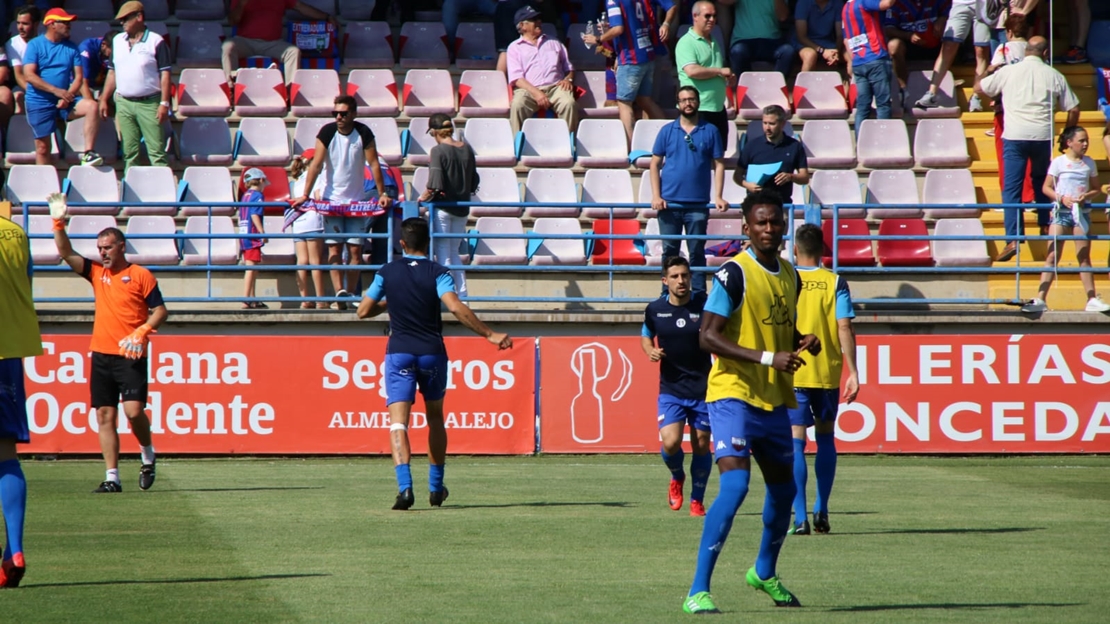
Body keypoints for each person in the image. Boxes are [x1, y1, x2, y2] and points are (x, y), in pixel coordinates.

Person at [682, 190, 820, 615]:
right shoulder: (732, 273)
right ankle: (698, 591)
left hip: (773, 398)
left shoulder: (790, 275)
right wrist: (768, 357)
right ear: (746, 226)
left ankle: (763, 571)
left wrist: (800, 342)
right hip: (732, 396)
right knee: (737, 485)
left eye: (775, 222)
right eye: (760, 222)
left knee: (785, 490)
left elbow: (774, 328)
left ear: (784, 226)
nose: (768, 229)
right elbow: (707, 335)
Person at [356, 217, 512, 510]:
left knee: (398, 423)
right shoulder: (439, 271)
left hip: (399, 352)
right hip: (432, 352)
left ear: (401, 244)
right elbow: (455, 307)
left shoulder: (387, 272)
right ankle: (436, 488)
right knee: (435, 418)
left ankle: (404, 489)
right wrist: (490, 334)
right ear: (428, 243)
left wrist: (391, 300)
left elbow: (363, 311)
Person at [50, 192, 168, 493]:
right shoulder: (97, 273)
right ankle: (112, 476)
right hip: (101, 352)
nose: (103, 253)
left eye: (108, 247)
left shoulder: (140, 274)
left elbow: (161, 311)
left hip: (130, 353)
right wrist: (58, 223)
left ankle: (147, 453)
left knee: (132, 411)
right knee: (104, 414)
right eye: (100, 248)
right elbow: (67, 253)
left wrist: (141, 332)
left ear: (121, 246)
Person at [975, 36, 1080, 262]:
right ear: (1045, 54)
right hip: (1042, 136)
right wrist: (1067, 133)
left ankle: (1013, 238)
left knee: (1012, 188)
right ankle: (1044, 225)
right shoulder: (1054, 75)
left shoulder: (1009, 71)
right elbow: (1074, 108)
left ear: (1026, 52)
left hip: (1014, 136)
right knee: (1042, 181)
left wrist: (989, 69)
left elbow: (978, 88)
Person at [787, 224, 859, 536]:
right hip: (827, 372)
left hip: (793, 370)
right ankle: (823, 509)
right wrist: (853, 372)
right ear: (823, 251)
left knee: (796, 442)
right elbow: (844, 327)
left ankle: (800, 516)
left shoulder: (786, 278)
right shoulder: (835, 281)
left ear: (794, 251)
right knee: (826, 438)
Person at [293, 95, 394, 309]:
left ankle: (350, 293)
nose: (338, 117)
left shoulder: (363, 133)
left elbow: (374, 163)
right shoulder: (327, 133)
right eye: (335, 113)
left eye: (343, 113)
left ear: (353, 114)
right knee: (335, 250)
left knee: (355, 251)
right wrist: (305, 193)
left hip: (356, 201)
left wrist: (382, 192)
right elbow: (316, 165)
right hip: (332, 201)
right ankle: (339, 293)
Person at [641, 256, 714, 517]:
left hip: (704, 388)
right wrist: (650, 350)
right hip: (671, 389)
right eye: (675, 276)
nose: (681, 281)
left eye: (685, 275)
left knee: (702, 445)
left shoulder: (705, 306)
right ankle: (677, 476)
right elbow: (646, 334)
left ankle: (697, 499)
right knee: (671, 443)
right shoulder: (654, 309)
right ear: (665, 281)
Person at [1021, 127, 1110, 314]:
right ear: (1069, 142)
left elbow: (1095, 188)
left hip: (1081, 213)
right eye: (1081, 140)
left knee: (1084, 257)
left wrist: (1085, 196)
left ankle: (1091, 299)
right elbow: (1046, 187)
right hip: (1061, 212)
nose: (1085, 144)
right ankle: (1041, 298)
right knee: (1052, 256)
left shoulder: (1089, 163)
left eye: (1087, 140)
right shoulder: (1058, 162)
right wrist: (1061, 198)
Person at [649, 86, 728, 294]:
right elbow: (654, 164)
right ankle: (667, 294)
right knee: (669, 253)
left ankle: (700, 294)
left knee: (696, 252)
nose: (688, 103)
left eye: (691, 99)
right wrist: (656, 196)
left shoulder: (710, 130)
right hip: (669, 205)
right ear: (678, 104)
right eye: (683, 100)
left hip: (698, 205)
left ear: (698, 102)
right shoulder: (667, 130)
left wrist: (718, 196)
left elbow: (719, 164)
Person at [0, 209, 43, 588]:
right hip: (9, 352)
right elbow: (26, 284)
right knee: (6, 454)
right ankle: (13, 547)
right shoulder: (17, 233)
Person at [584, 0, 676, 144]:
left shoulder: (613, 1)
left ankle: (632, 147)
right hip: (648, 54)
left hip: (631, 58)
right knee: (645, 100)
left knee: (624, 103)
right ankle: (672, 138)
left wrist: (598, 39)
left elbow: (618, 29)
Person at [22, 7, 102, 166]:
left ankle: (88, 153)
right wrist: (57, 91)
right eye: (64, 22)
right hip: (40, 101)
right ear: (51, 24)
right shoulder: (35, 45)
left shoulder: (72, 47)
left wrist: (68, 96)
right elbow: (29, 75)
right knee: (43, 148)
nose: (69, 25)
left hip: (65, 98)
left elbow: (79, 78)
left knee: (92, 106)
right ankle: (44, 186)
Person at [99, 1, 171, 170]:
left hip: (150, 103)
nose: (122, 23)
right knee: (129, 152)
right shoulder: (117, 41)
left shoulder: (156, 41)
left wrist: (164, 103)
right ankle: (132, 192)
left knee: (157, 153)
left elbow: (165, 74)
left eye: (126, 19)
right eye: (121, 20)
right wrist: (103, 98)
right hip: (123, 102)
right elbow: (112, 72)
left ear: (139, 17)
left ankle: (162, 193)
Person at [422, 113, 479, 299]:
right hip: (462, 208)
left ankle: (448, 298)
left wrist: (419, 201)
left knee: (443, 254)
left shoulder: (438, 151)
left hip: (443, 209)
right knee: (454, 254)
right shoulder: (468, 149)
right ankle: (462, 296)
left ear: (434, 132)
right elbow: (474, 182)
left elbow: (434, 186)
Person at [223, 0, 337, 85]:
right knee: (228, 46)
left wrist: (326, 17)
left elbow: (301, 7)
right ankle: (231, 87)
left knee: (293, 51)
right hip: (245, 41)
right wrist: (242, 4)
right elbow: (232, 21)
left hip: (273, 43)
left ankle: (290, 91)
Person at [506, 5, 579, 135]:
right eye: (534, 20)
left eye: (539, 19)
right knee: (517, 105)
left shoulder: (554, 42)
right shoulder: (514, 48)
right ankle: (517, 145)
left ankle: (568, 143)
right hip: (528, 89)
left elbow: (569, 68)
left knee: (569, 103)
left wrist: (569, 79)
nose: (539, 22)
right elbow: (517, 79)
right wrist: (537, 93)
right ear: (522, 26)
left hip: (555, 87)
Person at [914, 0, 992, 111]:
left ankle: (976, 97)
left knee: (981, 50)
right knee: (948, 46)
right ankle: (931, 93)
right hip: (960, 4)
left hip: (985, 4)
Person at [675, 0, 733, 144]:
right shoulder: (686, 42)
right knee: (699, 156)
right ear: (695, 16)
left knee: (719, 156)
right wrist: (719, 71)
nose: (712, 20)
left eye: (714, 16)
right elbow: (692, 71)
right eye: (707, 16)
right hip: (698, 109)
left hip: (717, 108)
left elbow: (713, 70)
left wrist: (728, 78)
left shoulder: (714, 41)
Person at [736, 104, 809, 208]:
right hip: (754, 205)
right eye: (764, 123)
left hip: (781, 205)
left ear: (782, 124)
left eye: (772, 124)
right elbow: (737, 175)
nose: (767, 128)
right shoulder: (752, 145)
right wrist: (747, 185)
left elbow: (805, 178)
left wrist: (790, 177)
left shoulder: (794, 146)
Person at [843, 0, 896, 132]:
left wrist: (854, 59)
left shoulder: (845, 8)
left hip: (858, 62)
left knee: (862, 107)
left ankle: (860, 145)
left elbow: (846, 40)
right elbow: (887, 4)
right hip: (876, 58)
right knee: (883, 104)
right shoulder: (864, 1)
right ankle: (883, 146)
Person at [288, 149, 328, 309]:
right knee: (315, 261)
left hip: (298, 222)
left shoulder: (297, 181)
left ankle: (305, 300)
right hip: (313, 221)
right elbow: (319, 197)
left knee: (302, 261)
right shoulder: (316, 178)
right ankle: (321, 300)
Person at [882, 0, 945, 95]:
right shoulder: (895, 4)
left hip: (935, 43)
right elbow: (888, 29)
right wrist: (909, 36)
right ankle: (903, 90)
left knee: (953, 34)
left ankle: (951, 77)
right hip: (909, 45)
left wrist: (943, 19)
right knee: (893, 45)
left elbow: (954, 13)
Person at [720, 0, 793, 77]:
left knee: (788, 51)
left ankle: (775, 85)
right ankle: (745, 86)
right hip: (744, 40)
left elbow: (782, 16)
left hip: (772, 41)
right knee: (737, 51)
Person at [240, 168, 268, 309]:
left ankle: (252, 298)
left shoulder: (245, 195)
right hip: (252, 236)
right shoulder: (258, 195)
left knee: (253, 268)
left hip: (244, 235)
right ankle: (246, 299)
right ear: (261, 180)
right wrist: (262, 232)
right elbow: (254, 214)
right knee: (251, 269)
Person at [5, 5, 40, 116]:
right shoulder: (12, 44)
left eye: (25, 24)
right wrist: (35, 93)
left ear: (36, 24)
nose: (20, 27)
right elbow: (19, 75)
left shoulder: (44, 42)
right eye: (18, 23)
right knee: (18, 96)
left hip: (43, 84)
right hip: (23, 86)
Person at [794, 0, 845, 73]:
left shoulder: (837, 3)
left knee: (849, 56)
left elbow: (840, 34)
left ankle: (851, 83)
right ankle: (803, 84)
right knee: (810, 56)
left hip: (828, 42)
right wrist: (822, 51)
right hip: (806, 43)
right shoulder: (803, 3)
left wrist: (836, 50)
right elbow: (801, 37)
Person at [77, 30, 114, 95]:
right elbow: (82, 82)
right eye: (112, 52)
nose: (115, 54)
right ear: (103, 44)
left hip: (104, 86)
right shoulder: (86, 48)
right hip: (84, 86)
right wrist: (91, 103)